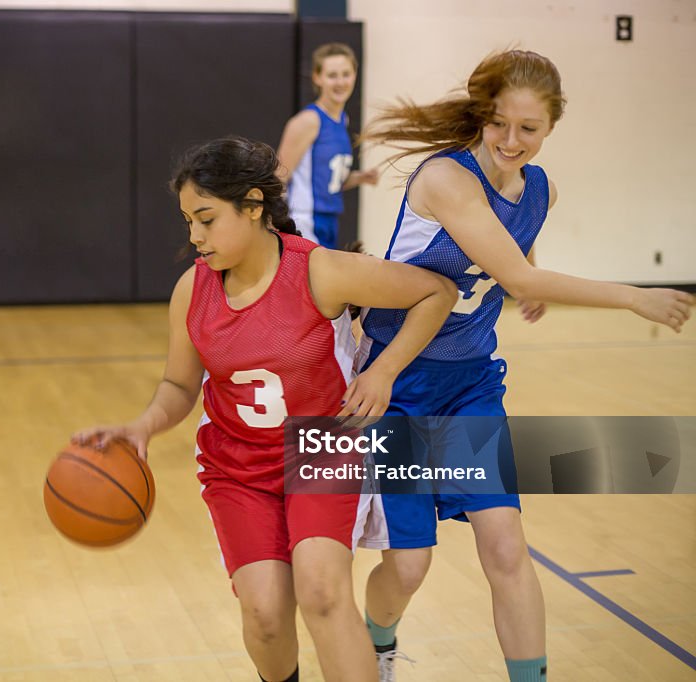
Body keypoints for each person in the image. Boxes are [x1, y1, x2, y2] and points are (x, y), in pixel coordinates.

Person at [349, 50, 693, 681]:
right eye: (499, 124)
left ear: (552, 126)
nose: (511, 141)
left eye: (528, 129)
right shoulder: (445, 178)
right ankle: (379, 645)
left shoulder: (542, 189)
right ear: (483, 117)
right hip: (396, 383)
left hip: (471, 386)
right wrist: (630, 295)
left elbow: (516, 251)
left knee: (506, 544)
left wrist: (525, 284)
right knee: (408, 567)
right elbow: (513, 267)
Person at [75, 136, 457, 682]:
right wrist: (143, 426)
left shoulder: (319, 271)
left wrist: (383, 371)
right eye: (188, 222)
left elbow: (436, 293)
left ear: (253, 206)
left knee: (323, 590)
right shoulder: (193, 289)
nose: (194, 236)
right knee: (265, 615)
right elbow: (179, 386)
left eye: (206, 219)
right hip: (238, 467)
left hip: (321, 451)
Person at [277, 42, 379, 250]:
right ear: (317, 77)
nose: (340, 82)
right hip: (304, 220)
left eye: (346, 74)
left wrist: (359, 177)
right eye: (332, 75)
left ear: (355, 75)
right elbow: (278, 177)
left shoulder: (343, 120)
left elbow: (325, 181)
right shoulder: (308, 121)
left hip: (329, 220)